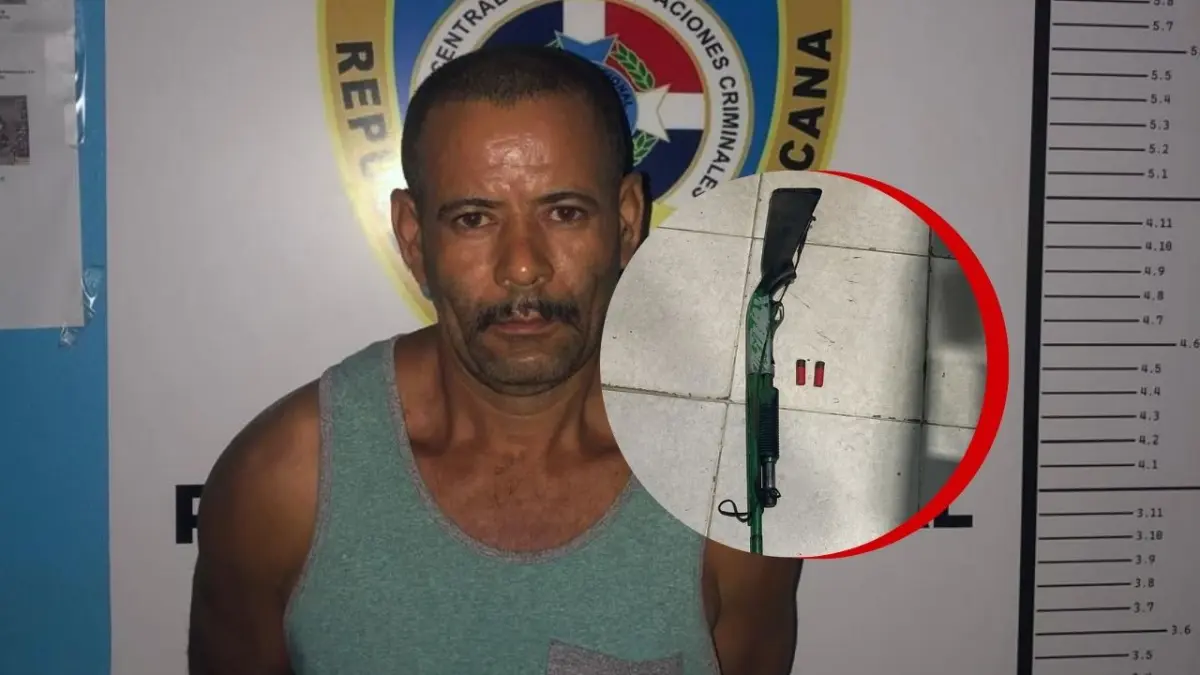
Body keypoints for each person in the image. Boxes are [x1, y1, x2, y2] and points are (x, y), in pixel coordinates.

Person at [187, 44, 802, 675]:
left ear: (625, 222)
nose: (523, 267)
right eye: (474, 218)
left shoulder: (730, 488)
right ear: (413, 237)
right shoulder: (284, 483)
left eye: (563, 213)